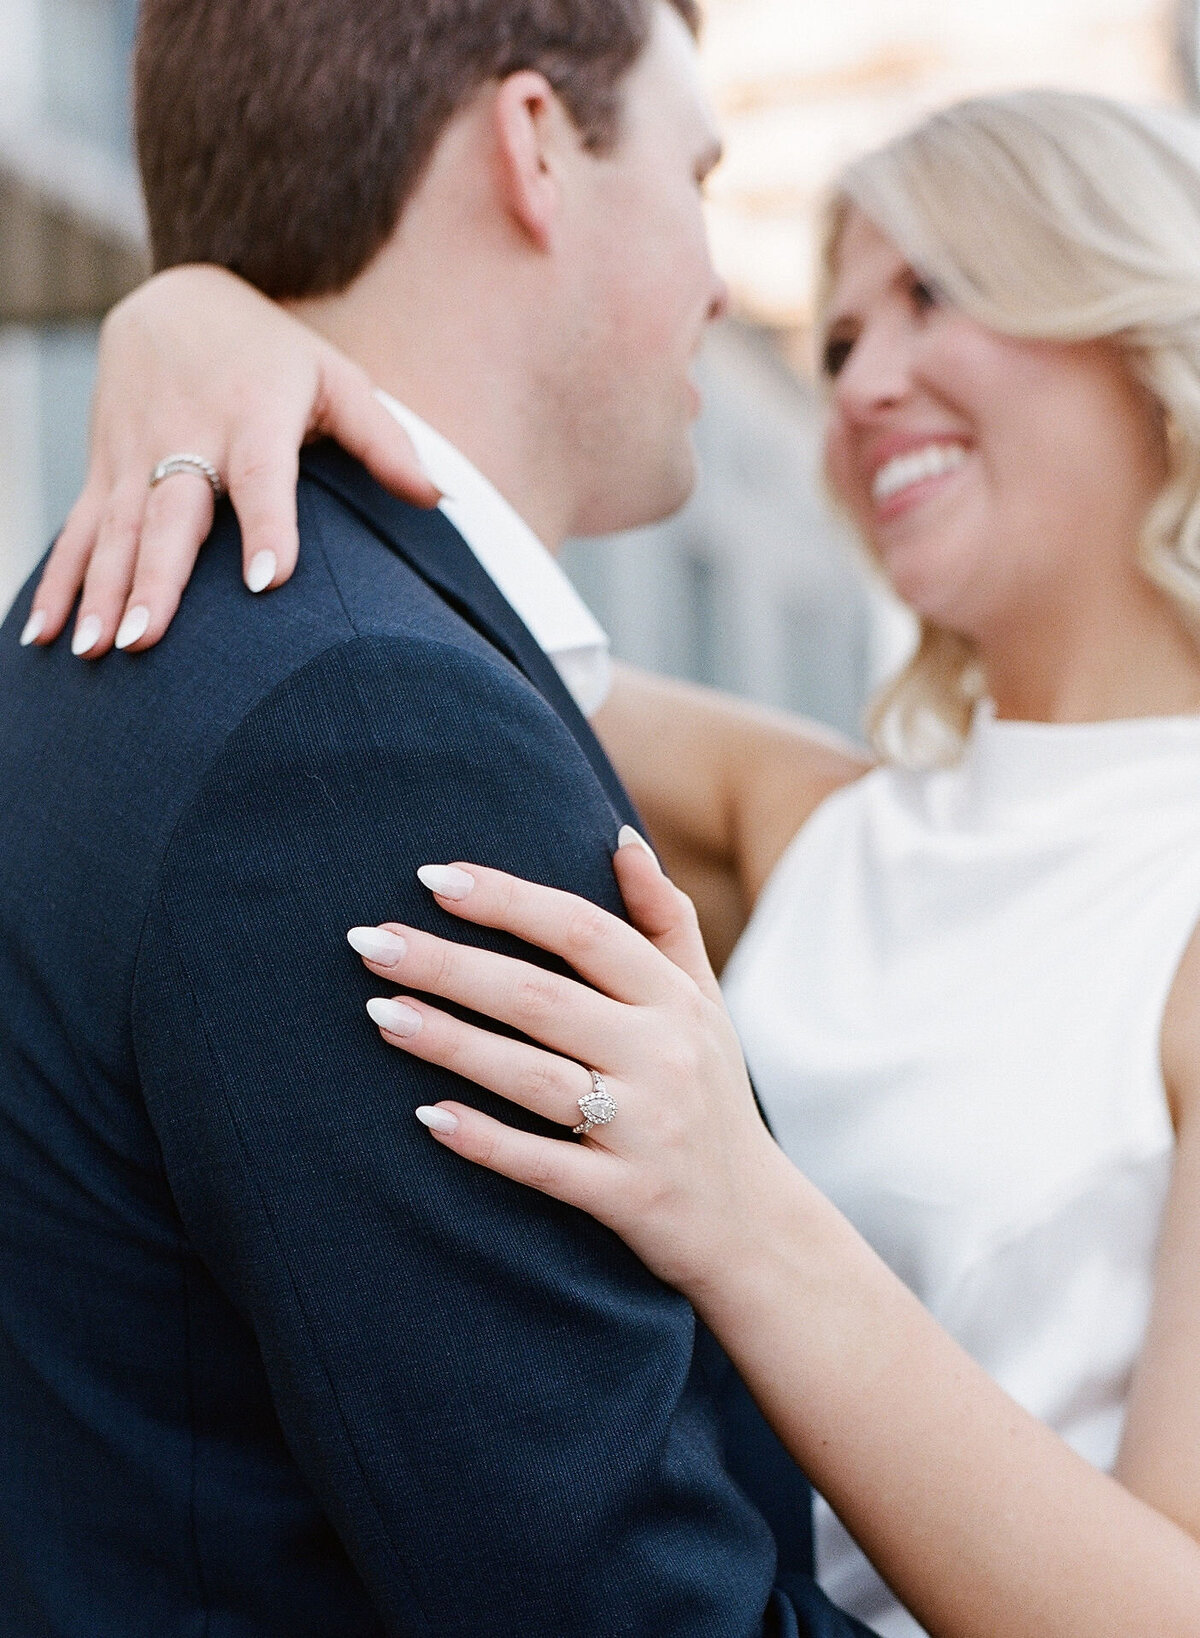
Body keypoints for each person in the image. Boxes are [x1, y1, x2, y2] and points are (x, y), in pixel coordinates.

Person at [34, 87, 1200, 1637]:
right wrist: (189, 319)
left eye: (939, 292)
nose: (865, 386)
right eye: (839, 342)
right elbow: (408, 646)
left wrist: (742, 1207)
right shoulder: (819, 818)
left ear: (1136, 314)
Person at [0, 2, 879, 1634]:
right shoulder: (364, 731)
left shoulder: (125, 625)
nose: (717, 278)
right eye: (697, 172)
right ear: (535, 145)